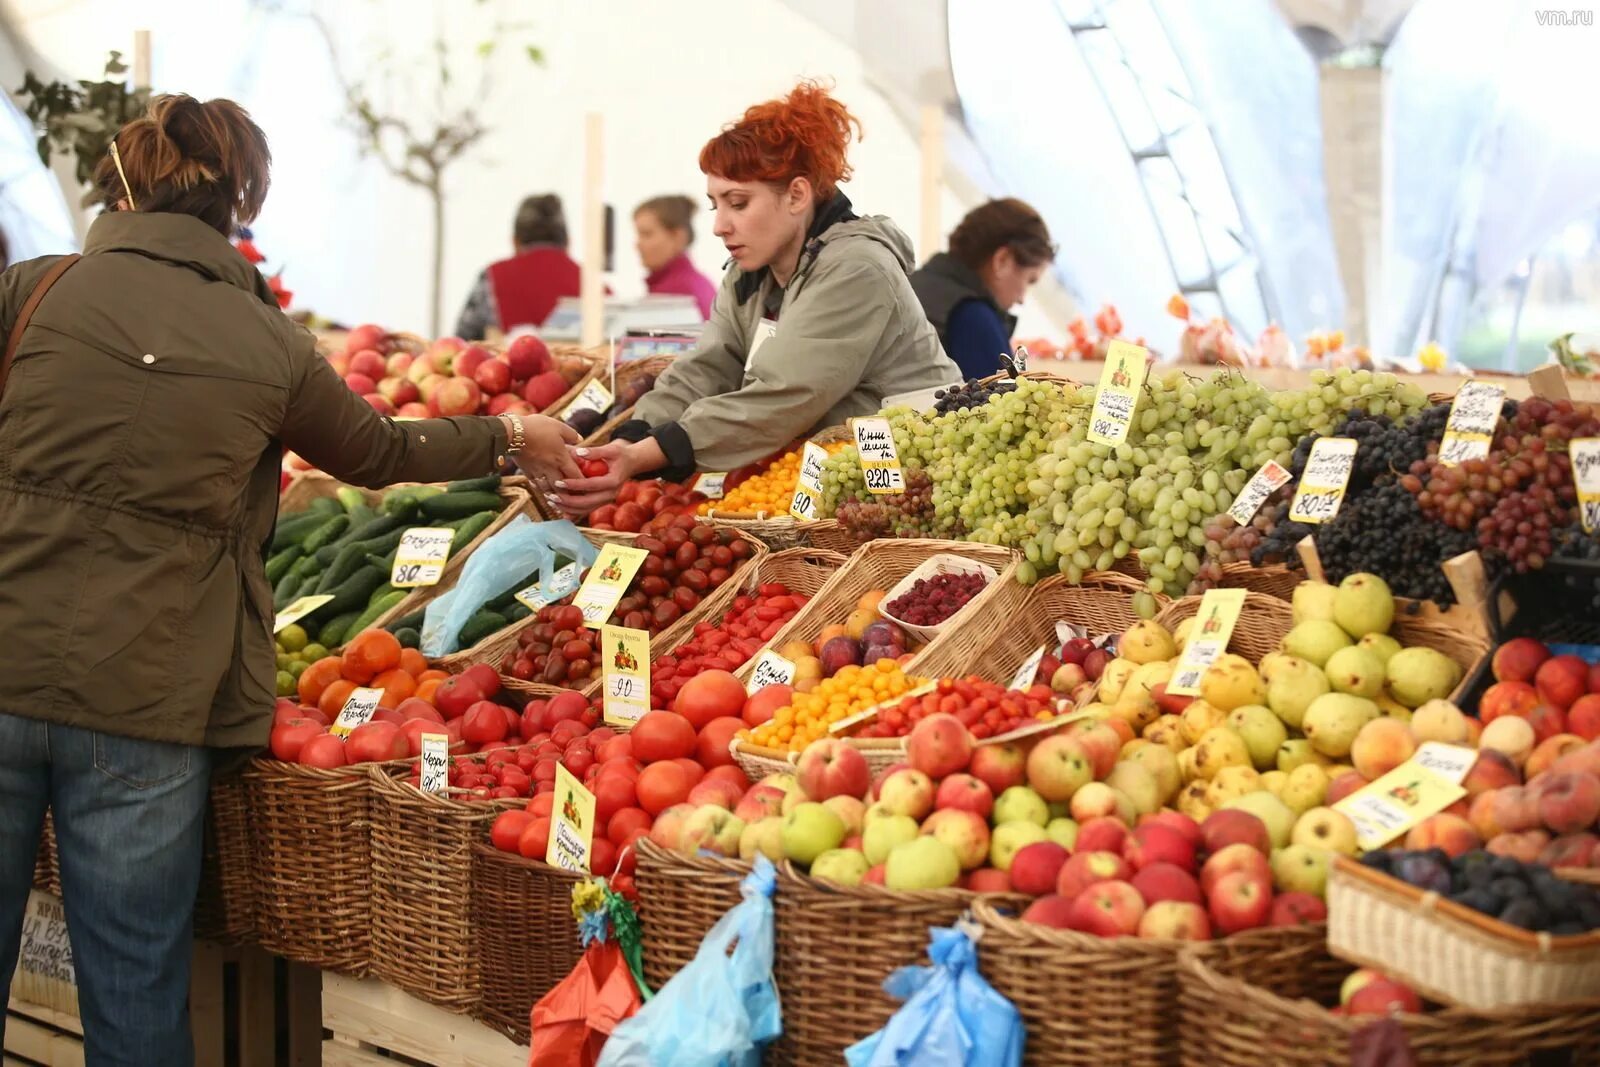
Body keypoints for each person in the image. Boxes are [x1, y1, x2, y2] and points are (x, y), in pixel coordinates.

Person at [0, 95, 580, 1066]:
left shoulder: (32, 292)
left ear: (119, 190)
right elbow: (379, 448)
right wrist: (510, 432)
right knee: (136, 983)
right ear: (237, 205)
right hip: (148, 701)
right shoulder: (265, 341)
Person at [555, 82, 959, 513]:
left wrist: (651, 453)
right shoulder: (752, 274)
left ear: (797, 196)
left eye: (738, 203)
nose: (720, 226)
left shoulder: (856, 268)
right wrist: (632, 437)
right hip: (832, 478)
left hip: (907, 480)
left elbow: (785, 394)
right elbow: (708, 368)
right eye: (716, 205)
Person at [910, 198, 1055, 379]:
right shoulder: (973, 316)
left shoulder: (914, 284)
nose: (1022, 299)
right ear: (1002, 260)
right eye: (1029, 280)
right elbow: (1006, 402)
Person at [454, 193, 581, 338]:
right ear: (569, 243)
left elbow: (462, 342)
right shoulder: (596, 286)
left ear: (515, 242)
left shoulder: (491, 278)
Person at [634, 194, 717, 318]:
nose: (638, 244)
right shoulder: (698, 282)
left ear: (678, 237)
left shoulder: (675, 292)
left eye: (647, 234)